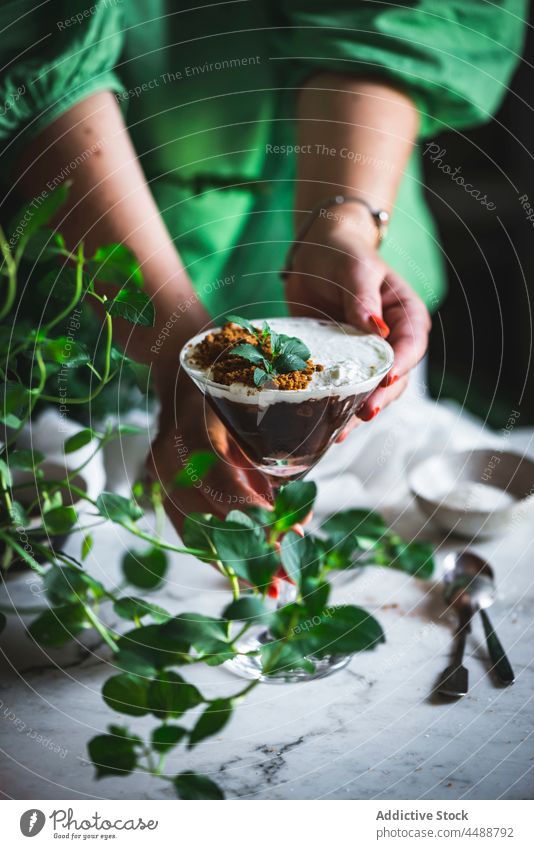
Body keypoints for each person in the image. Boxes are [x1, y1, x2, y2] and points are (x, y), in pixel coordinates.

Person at [0, 1, 525, 530]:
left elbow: (396, 21)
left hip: (344, 283)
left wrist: (340, 228)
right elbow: (35, 54)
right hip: (94, 282)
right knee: (79, 528)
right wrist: (182, 369)